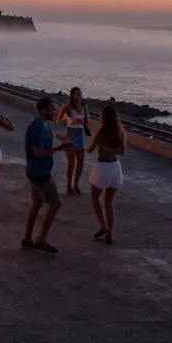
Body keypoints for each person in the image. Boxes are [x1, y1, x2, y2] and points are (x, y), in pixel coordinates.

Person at [23, 96, 71, 255]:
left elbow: (47, 141)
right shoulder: (37, 127)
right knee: (55, 204)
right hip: (40, 174)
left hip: (36, 172)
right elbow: (38, 152)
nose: (54, 111)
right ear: (43, 110)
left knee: (37, 203)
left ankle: (28, 238)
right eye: (52, 109)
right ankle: (41, 238)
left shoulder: (44, 126)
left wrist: (62, 142)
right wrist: (58, 149)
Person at [86, 105, 126, 243]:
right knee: (109, 202)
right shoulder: (121, 132)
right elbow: (123, 153)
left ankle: (102, 226)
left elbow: (90, 149)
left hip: (102, 168)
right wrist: (112, 150)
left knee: (94, 199)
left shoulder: (101, 132)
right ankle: (110, 233)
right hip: (115, 167)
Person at [56, 87, 90, 195]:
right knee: (71, 163)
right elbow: (58, 120)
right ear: (72, 95)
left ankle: (76, 185)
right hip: (70, 134)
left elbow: (86, 121)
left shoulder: (84, 107)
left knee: (80, 162)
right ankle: (69, 184)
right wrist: (68, 119)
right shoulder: (67, 107)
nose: (79, 96)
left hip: (80, 135)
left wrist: (82, 121)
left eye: (80, 94)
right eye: (77, 94)